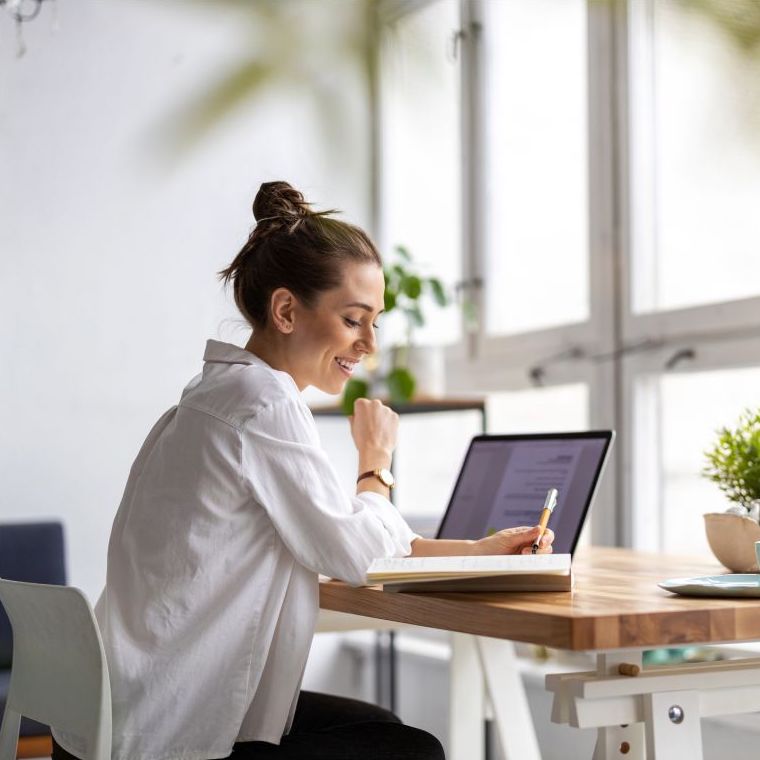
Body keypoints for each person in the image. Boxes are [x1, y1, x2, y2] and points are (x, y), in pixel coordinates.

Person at [51, 181, 554, 760]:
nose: (369, 343)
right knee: (410, 750)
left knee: (382, 728)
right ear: (287, 310)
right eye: (353, 319)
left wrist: (479, 550)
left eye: (376, 323)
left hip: (118, 716)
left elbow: (344, 535)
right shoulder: (264, 405)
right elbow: (357, 555)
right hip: (170, 734)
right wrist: (376, 464)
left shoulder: (215, 395)